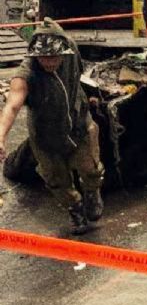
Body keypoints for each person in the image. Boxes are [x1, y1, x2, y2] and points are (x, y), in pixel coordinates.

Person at [0, 19, 103, 235]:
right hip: (45, 136)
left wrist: (91, 98)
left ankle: (92, 194)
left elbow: (79, 77)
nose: (48, 63)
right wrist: (1, 136)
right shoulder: (26, 74)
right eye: (43, 58)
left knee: (91, 169)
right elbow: (12, 105)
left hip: (79, 125)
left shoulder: (71, 50)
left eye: (54, 57)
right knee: (57, 180)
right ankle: (75, 210)